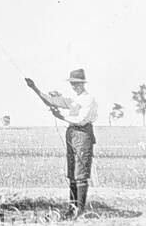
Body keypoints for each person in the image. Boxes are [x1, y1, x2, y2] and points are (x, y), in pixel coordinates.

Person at [25, 69, 98, 217]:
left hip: (83, 134)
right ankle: (72, 209)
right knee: (72, 173)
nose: (74, 86)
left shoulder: (89, 99)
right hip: (71, 134)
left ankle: (80, 210)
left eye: (77, 83)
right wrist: (35, 88)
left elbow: (81, 119)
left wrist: (61, 115)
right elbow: (50, 100)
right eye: (72, 83)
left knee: (81, 172)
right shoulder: (72, 100)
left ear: (83, 84)